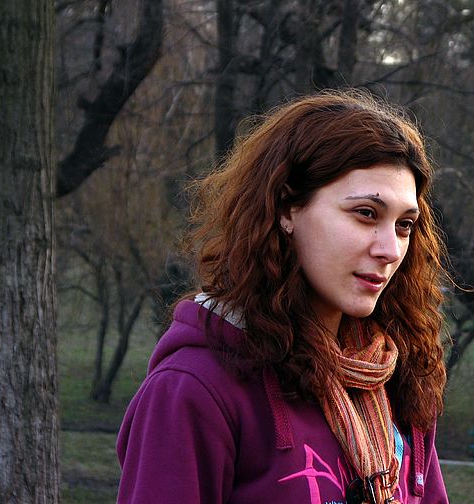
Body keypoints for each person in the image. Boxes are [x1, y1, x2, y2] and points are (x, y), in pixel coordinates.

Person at [116, 91, 450, 504]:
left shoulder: (396, 377)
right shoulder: (194, 389)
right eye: (366, 214)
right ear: (287, 208)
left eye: (404, 225)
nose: (390, 249)